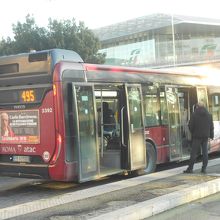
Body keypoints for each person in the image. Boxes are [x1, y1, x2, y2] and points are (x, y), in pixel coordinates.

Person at [183, 101, 214, 174]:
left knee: (193, 153)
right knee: (205, 153)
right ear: (204, 106)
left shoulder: (194, 115)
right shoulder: (209, 115)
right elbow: (211, 127)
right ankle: (204, 169)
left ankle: (190, 169)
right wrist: (211, 135)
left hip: (197, 137)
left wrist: (193, 133)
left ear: (197, 106)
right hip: (205, 137)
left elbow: (190, 125)